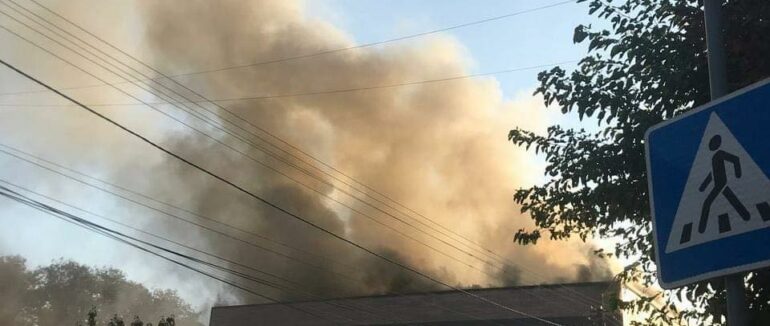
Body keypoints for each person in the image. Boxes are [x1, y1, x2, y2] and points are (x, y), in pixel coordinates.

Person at [698, 134, 751, 233]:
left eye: (712, 144)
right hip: (719, 184)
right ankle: (746, 216)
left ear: (717, 144)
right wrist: (703, 186)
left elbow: (735, 159)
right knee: (733, 200)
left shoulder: (720, 154)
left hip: (721, 183)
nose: (711, 146)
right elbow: (712, 174)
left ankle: (701, 230)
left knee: (707, 203)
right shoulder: (714, 157)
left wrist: (737, 174)